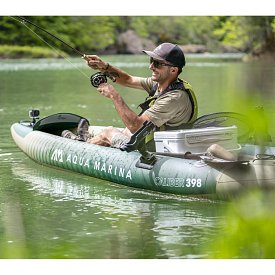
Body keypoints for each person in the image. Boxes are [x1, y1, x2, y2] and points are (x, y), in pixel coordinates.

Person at [62, 42, 198, 151]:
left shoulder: (174, 97)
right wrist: (104, 66)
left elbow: (136, 127)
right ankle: (83, 142)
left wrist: (114, 96)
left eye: (157, 63)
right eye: (151, 60)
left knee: (109, 132)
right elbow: (128, 80)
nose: (151, 66)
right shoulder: (160, 83)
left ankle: (79, 146)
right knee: (112, 131)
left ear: (173, 70)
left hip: (158, 149)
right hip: (154, 140)